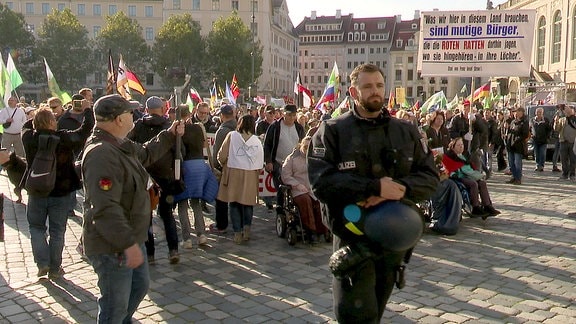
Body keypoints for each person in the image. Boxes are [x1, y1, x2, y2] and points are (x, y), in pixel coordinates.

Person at [308, 63, 439, 322]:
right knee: (355, 315)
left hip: (393, 241)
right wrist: (373, 187)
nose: (375, 91)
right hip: (353, 239)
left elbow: (430, 178)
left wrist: (398, 190)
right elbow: (321, 182)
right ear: (354, 93)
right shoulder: (332, 131)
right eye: (367, 86)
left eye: (379, 85)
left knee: (375, 312)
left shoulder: (405, 131)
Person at [81, 94, 184, 323]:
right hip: (114, 244)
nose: (134, 117)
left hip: (131, 237)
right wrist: (128, 244)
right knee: (114, 307)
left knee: (138, 287)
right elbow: (105, 207)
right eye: (130, 113)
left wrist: (169, 134)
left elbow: (146, 154)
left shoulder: (119, 143)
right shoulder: (101, 153)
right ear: (118, 119)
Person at [21, 104, 94, 279]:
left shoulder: (29, 137)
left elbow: (25, 126)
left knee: (36, 227)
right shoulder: (63, 138)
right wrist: (87, 111)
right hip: (61, 190)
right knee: (57, 230)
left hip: (37, 190)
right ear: (53, 122)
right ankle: (55, 267)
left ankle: (42, 263)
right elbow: (84, 131)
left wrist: (38, 116)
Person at [128, 96, 181, 264]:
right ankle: (173, 250)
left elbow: (130, 147)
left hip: (145, 175)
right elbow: (179, 152)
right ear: (163, 109)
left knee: (146, 216)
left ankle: (150, 254)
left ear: (146, 109)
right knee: (167, 214)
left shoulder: (138, 126)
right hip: (165, 175)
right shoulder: (168, 127)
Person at [173, 105, 217, 248]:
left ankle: (186, 239)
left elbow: (177, 150)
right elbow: (204, 145)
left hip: (186, 166)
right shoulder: (199, 128)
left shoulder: (179, 129)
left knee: (182, 203)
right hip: (200, 165)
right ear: (190, 113)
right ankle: (201, 235)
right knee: (196, 203)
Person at [217, 114, 264, 244]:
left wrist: (223, 164)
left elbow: (221, 156)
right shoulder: (256, 141)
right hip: (250, 173)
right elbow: (260, 161)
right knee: (247, 203)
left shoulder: (232, 136)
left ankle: (237, 232)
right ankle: (246, 229)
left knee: (234, 203)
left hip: (233, 172)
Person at [281, 136, 328, 243]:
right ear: (301, 146)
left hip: (312, 187)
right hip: (298, 189)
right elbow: (285, 175)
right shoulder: (292, 158)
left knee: (320, 201)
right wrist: (297, 185)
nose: (307, 149)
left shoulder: (316, 158)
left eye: (310, 147)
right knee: (305, 201)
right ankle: (310, 231)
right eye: (305, 147)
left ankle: (323, 230)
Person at [442, 137, 501, 218]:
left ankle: (487, 205)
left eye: (462, 145)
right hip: (458, 178)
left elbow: (469, 169)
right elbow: (449, 169)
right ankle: (475, 207)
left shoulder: (462, 157)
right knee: (473, 184)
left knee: (482, 183)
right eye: (458, 145)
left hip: (467, 176)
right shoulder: (449, 157)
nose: (461, 147)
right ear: (453, 147)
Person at [264, 104, 305, 215]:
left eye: (293, 115)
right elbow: (267, 144)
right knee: (282, 186)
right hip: (278, 162)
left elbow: (304, 145)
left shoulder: (299, 128)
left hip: (295, 163)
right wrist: (268, 161)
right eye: (289, 115)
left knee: (297, 186)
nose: (291, 118)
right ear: (284, 114)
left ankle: (296, 208)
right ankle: (280, 208)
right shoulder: (275, 127)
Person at [209, 105, 237, 234]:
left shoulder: (223, 131)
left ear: (222, 115)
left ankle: (221, 225)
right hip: (238, 167)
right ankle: (238, 224)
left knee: (221, 198)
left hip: (225, 168)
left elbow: (217, 153)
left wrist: (215, 167)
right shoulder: (239, 128)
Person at [504, 107, 529, 184]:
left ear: (521, 112)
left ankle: (518, 178)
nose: (515, 113)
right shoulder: (513, 122)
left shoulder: (524, 122)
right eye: (514, 112)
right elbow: (510, 132)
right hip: (510, 145)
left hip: (518, 145)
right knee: (511, 163)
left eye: (516, 112)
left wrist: (516, 139)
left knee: (517, 163)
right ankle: (514, 177)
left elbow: (525, 134)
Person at [553, 104, 576, 180]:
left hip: (573, 142)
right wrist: (556, 122)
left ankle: (572, 174)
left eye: (568, 110)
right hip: (563, 141)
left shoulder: (574, 119)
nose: (567, 111)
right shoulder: (562, 119)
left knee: (572, 159)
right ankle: (564, 173)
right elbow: (557, 129)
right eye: (565, 110)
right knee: (563, 159)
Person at [530, 107, 552, 172]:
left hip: (543, 140)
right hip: (535, 139)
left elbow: (549, 129)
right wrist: (531, 135)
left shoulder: (546, 120)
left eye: (540, 112)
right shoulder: (532, 120)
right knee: (536, 153)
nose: (538, 113)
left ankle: (541, 166)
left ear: (542, 113)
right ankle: (537, 165)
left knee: (542, 153)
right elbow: (529, 128)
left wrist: (548, 137)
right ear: (535, 113)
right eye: (537, 112)